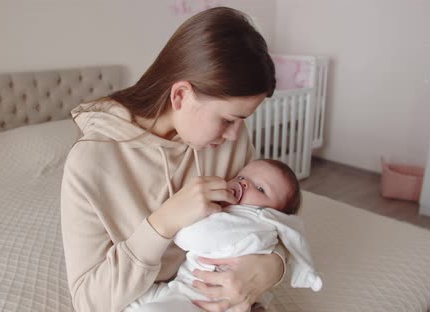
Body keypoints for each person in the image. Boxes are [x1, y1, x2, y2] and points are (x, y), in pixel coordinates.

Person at [61, 7, 286, 312]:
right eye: (228, 120)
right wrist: (162, 223)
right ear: (181, 96)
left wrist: (271, 267)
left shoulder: (231, 139)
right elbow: (88, 302)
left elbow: (264, 219)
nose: (234, 135)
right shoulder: (90, 163)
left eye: (241, 120)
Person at [124, 159, 322, 312]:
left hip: (200, 299)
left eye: (260, 189)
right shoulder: (254, 223)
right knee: (128, 303)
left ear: (275, 214)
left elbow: (188, 236)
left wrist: (177, 215)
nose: (245, 184)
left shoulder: (249, 222)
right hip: (186, 288)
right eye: (242, 176)